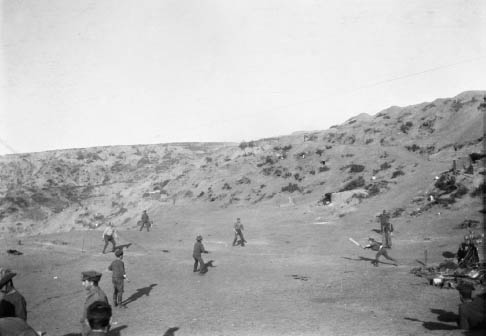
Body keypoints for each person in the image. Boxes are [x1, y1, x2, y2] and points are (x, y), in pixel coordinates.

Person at [80, 271, 109, 336]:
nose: (83, 284)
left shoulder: (97, 297)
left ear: (91, 282)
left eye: (85, 281)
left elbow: (100, 322)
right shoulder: (92, 294)